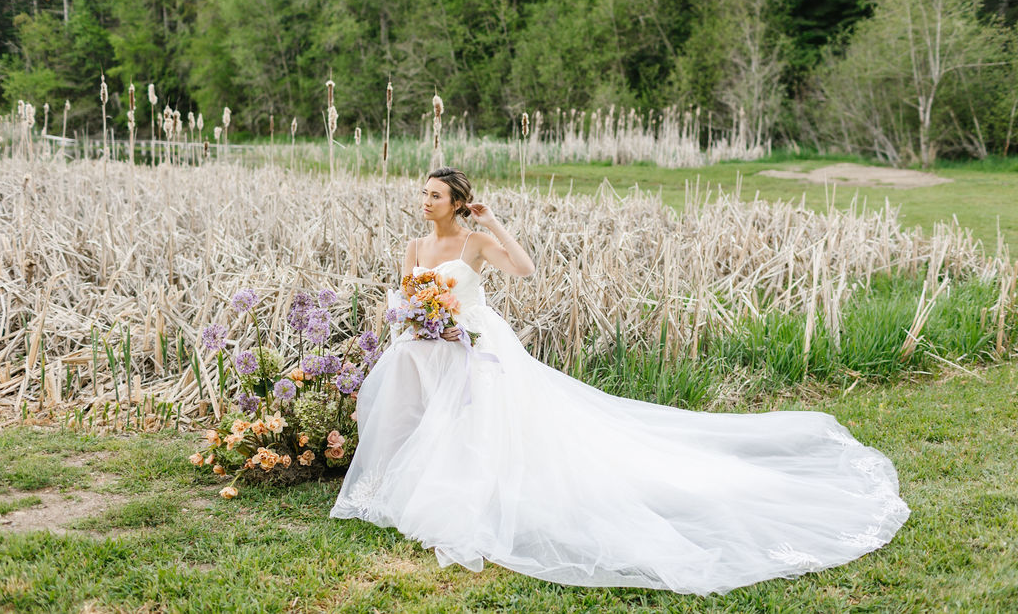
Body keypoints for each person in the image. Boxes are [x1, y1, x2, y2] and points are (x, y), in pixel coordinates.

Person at [330, 166, 910, 595]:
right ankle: (417, 483)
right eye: (423, 194)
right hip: (425, 343)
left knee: (480, 419)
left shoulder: (476, 240)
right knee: (423, 415)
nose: (425, 201)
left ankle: (481, 492)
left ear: (458, 202)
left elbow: (525, 270)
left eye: (435, 195)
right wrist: (416, 317)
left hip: (476, 345)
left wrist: (495, 223)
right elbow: (407, 292)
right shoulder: (414, 244)